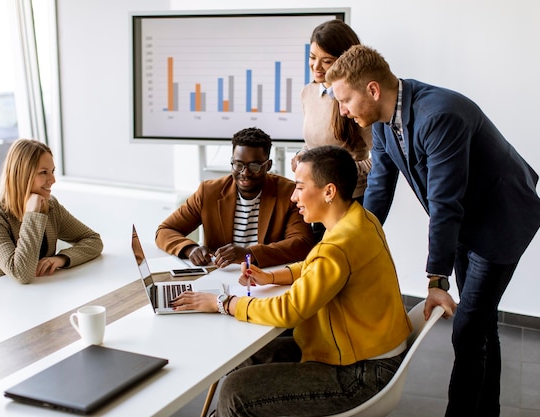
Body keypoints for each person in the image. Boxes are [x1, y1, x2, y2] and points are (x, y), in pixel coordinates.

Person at [326, 45, 540, 416]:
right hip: (464, 220)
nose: (343, 111)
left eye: (345, 100)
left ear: (373, 90)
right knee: (481, 325)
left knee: (466, 328)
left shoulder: (439, 115)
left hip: (500, 219)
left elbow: (445, 204)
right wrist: (344, 243)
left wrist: (435, 281)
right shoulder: (380, 121)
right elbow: (379, 188)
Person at [171, 145, 412, 416]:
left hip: (362, 373)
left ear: (329, 191)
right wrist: (271, 276)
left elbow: (289, 310)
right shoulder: (361, 221)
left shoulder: (337, 247)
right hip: (368, 351)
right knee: (250, 356)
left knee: (236, 391)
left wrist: (223, 303)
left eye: (299, 186)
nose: (294, 197)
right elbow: (318, 266)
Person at [156, 127, 314, 269]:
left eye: (254, 166)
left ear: (268, 165)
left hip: (266, 277)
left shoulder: (288, 193)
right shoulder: (209, 192)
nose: (245, 173)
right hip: (220, 275)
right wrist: (190, 249)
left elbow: (302, 243)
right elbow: (165, 231)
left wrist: (249, 254)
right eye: (238, 164)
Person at [0, 139, 103, 288]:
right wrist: (32, 215)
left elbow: (93, 240)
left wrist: (61, 259)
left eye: (53, 171)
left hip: (29, 296)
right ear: (21, 175)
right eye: (44, 172)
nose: (53, 180)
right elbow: (21, 273)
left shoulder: (51, 207)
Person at [291, 19, 372, 203]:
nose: (316, 67)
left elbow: (382, 159)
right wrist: (302, 156)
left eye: (326, 61)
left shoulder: (357, 100)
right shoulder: (308, 93)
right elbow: (315, 144)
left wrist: (339, 172)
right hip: (317, 196)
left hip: (349, 198)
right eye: (312, 57)